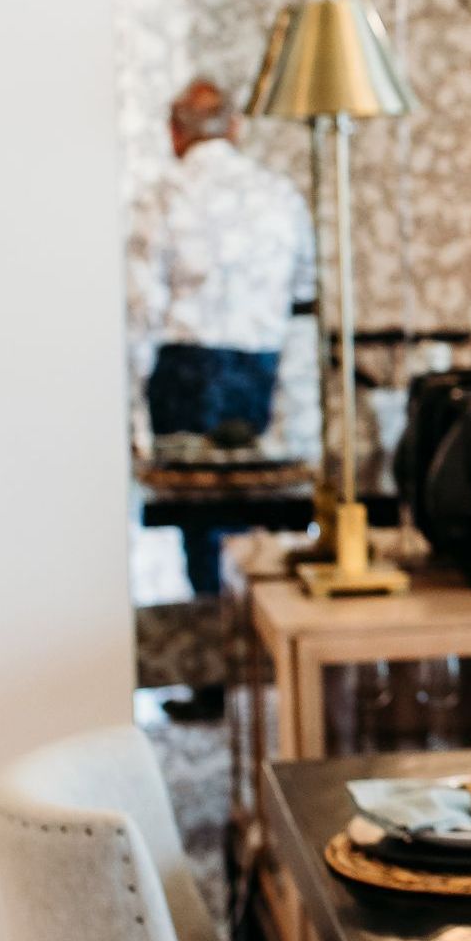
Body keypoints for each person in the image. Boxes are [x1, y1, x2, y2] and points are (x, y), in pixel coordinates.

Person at [132, 76, 316, 594]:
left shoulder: (161, 197)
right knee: (256, 502)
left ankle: (214, 644)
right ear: (235, 128)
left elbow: (142, 306)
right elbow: (304, 293)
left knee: (197, 517)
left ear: (174, 133)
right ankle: (257, 623)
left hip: (183, 367)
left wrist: (133, 407)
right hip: (259, 367)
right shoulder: (279, 194)